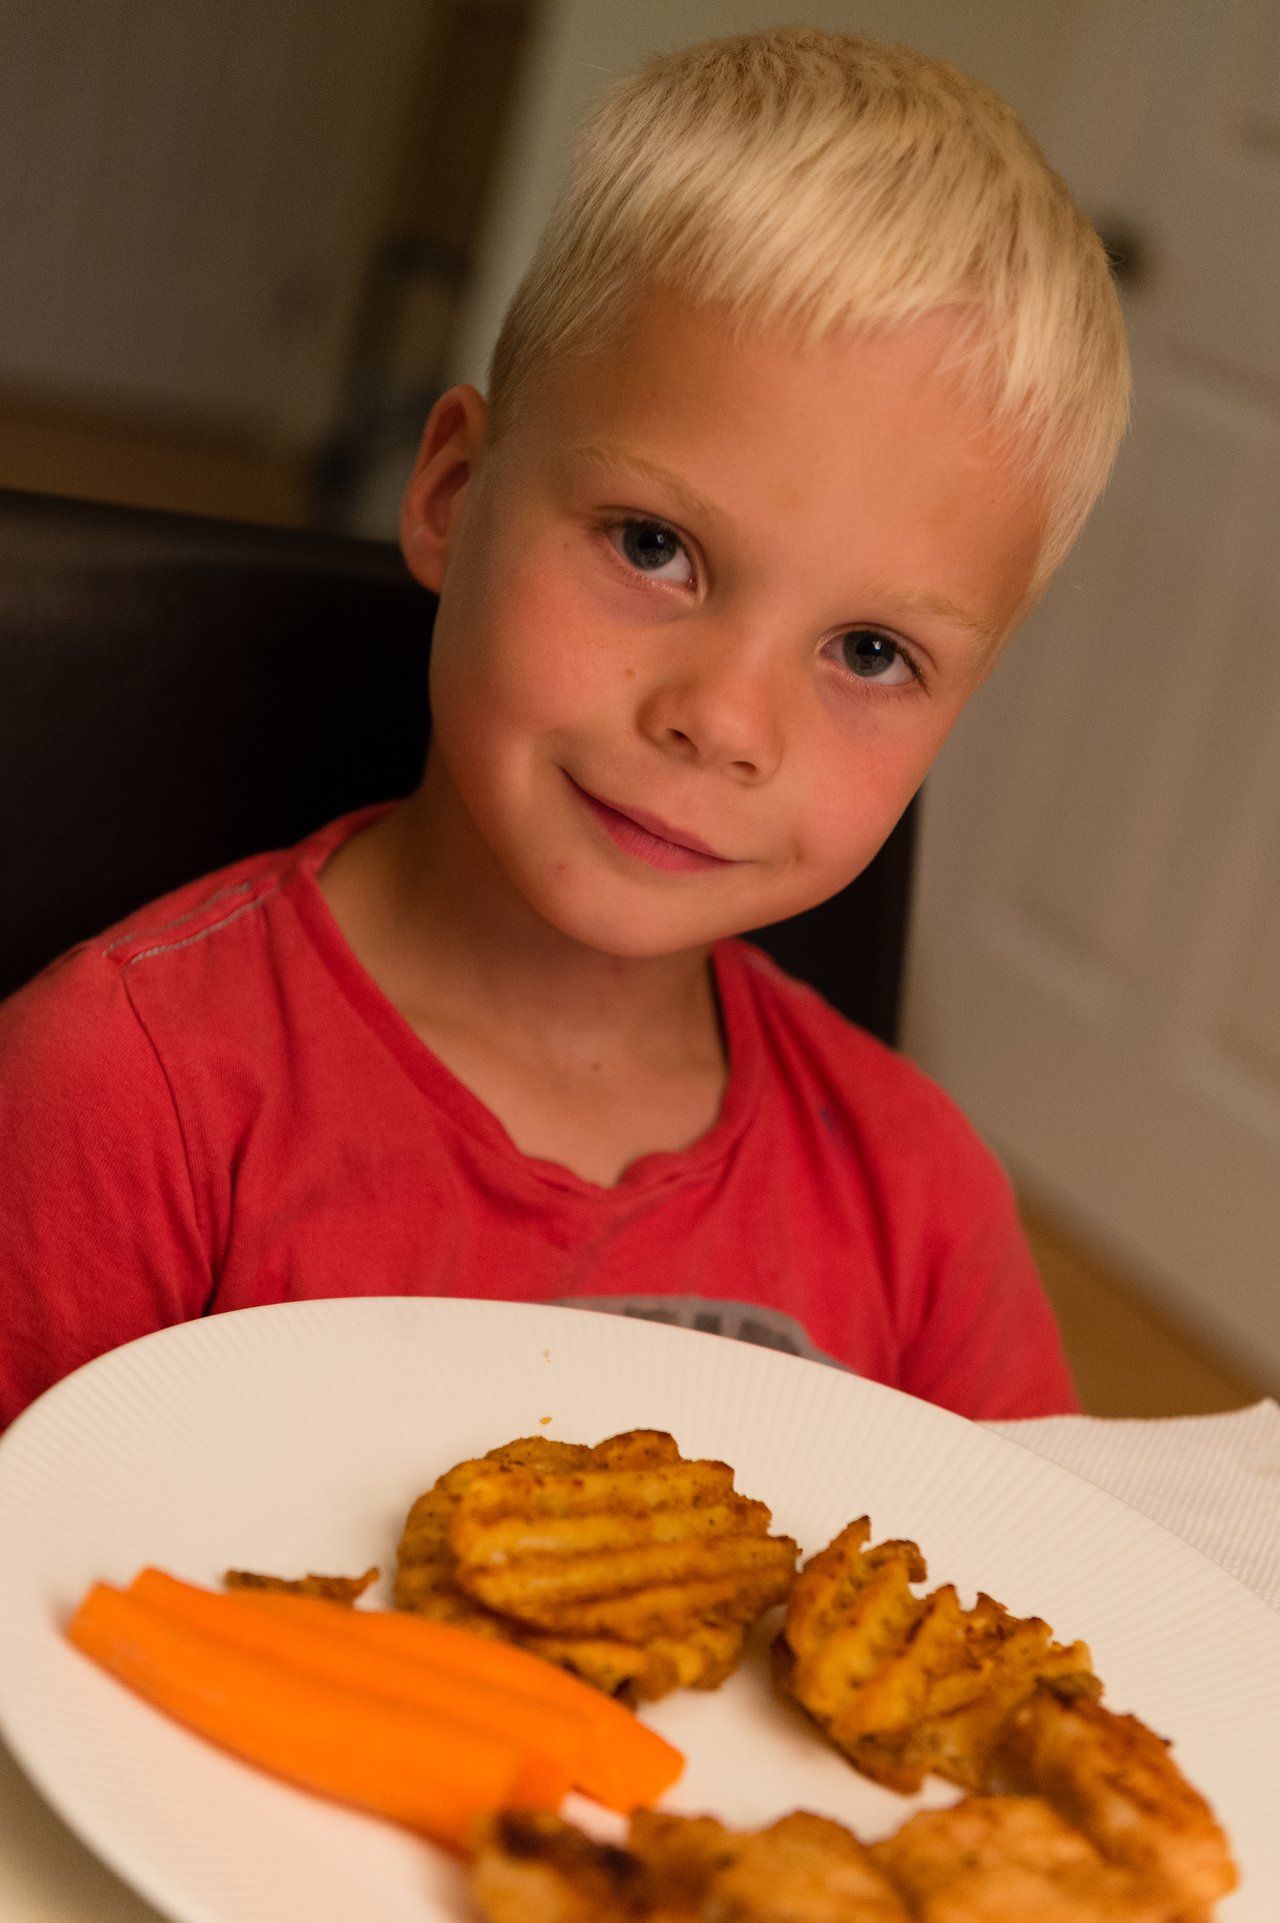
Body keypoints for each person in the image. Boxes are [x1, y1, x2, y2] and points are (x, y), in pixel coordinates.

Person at [0, 28, 1129, 1429]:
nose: (723, 720)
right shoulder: (124, 1097)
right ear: (452, 493)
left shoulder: (923, 1208)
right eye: (654, 547)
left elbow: (1033, 1607)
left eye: (870, 651)